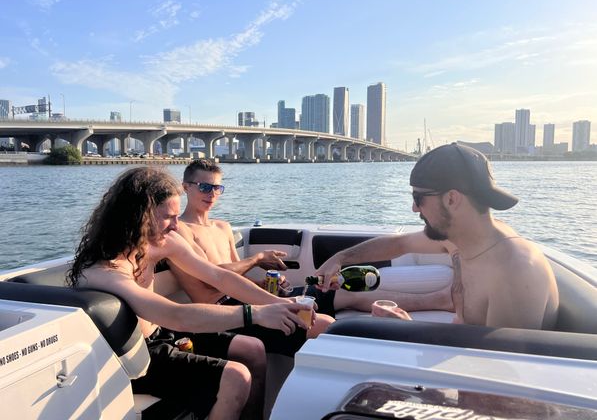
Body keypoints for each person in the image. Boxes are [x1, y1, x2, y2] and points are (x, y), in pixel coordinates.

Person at [66, 167, 309, 420]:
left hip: (163, 334)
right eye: (168, 217)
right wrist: (255, 314)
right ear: (140, 216)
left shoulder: (158, 242)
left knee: (252, 349)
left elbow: (219, 276)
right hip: (137, 358)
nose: (175, 225)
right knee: (237, 377)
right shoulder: (103, 271)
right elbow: (175, 314)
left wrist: (282, 303)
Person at [316, 143, 559, 330]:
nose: (414, 208)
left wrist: (409, 330)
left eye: (418, 198)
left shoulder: (513, 270)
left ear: (452, 199)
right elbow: (399, 243)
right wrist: (340, 257)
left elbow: (498, 374)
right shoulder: (461, 239)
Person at [169, 159, 334, 357]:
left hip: (246, 297)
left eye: (217, 188)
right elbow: (212, 279)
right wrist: (257, 259)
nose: (211, 194)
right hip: (221, 311)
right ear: (185, 187)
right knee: (323, 324)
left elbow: (236, 277)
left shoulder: (222, 227)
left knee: (333, 293)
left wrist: (260, 284)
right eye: (204, 187)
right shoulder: (180, 229)